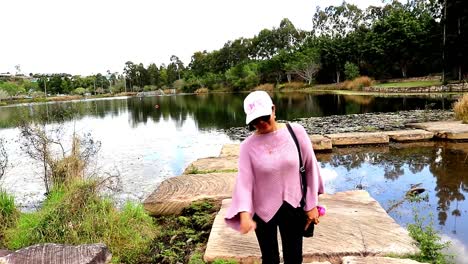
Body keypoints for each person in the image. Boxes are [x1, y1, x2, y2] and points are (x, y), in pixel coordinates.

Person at [225, 90, 324, 264]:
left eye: (264, 117)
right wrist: (244, 212)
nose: (261, 123)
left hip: (293, 204)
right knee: (269, 258)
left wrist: (311, 204)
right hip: (262, 210)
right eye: (255, 121)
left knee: (294, 257)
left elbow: (310, 168)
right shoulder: (247, 147)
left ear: (273, 109)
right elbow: (244, 182)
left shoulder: (296, 132)